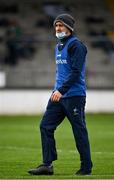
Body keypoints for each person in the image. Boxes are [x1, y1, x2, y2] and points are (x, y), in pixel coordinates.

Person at [28, 13, 93, 176]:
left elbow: (76, 72)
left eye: (61, 25)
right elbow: (62, 72)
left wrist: (61, 90)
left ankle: (86, 167)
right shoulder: (58, 46)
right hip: (57, 96)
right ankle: (47, 165)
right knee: (45, 126)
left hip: (74, 96)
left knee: (79, 131)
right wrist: (56, 90)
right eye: (56, 26)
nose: (58, 28)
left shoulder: (76, 46)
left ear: (69, 28)